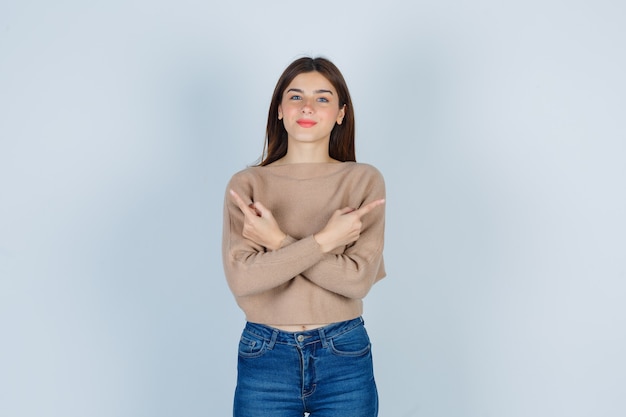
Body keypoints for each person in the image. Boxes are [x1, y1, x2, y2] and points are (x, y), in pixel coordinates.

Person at [222, 56, 386, 417]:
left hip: (343, 353)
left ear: (341, 113)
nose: (308, 107)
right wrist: (326, 241)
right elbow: (244, 277)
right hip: (265, 354)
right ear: (279, 110)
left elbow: (356, 281)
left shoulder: (362, 180)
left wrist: (277, 242)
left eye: (323, 98)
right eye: (295, 97)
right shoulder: (247, 184)